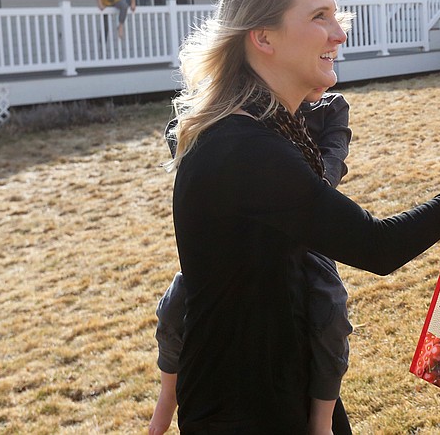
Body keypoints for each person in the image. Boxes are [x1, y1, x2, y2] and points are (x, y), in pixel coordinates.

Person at [165, 0, 440, 433]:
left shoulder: (262, 129)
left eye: (335, 15)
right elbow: (377, 246)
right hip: (246, 406)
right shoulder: (245, 149)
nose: (339, 34)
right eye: (319, 18)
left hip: (278, 385)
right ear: (263, 38)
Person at [148, 92, 355, 435]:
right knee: (177, 302)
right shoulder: (232, 107)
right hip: (234, 242)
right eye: (324, 52)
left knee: (328, 304)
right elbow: (183, 144)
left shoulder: (328, 110)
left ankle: (321, 420)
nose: (330, 59)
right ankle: (167, 395)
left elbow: (327, 174)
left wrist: (275, 181)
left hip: (301, 235)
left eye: (333, 55)